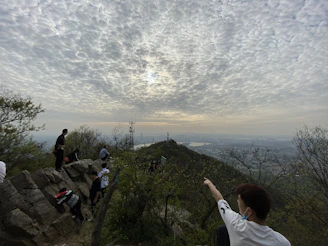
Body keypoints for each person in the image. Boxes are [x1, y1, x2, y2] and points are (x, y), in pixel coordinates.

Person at [203, 177, 291, 246]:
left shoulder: (237, 226)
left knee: (222, 230)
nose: (237, 202)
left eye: (239, 200)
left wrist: (210, 184)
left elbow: (221, 201)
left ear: (249, 211)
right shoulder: (282, 242)